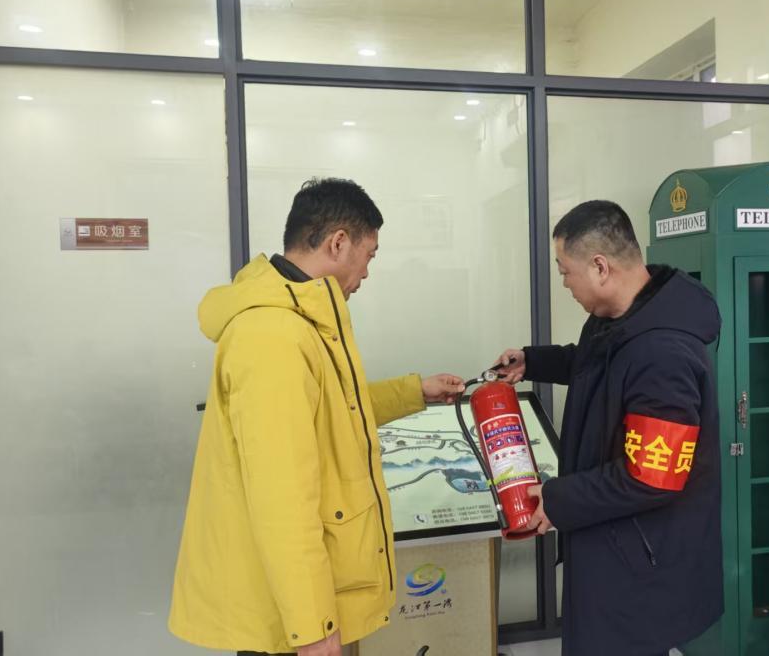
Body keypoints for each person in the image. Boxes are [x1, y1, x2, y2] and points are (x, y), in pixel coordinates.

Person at [169, 177, 464, 656]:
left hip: (292, 607)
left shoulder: (300, 318)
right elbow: (281, 496)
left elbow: (334, 410)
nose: (366, 273)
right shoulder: (274, 335)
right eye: (369, 256)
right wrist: (313, 626)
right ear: (338, 243)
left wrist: (415, 392)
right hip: (286, 620)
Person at [494, 200, 723, 656]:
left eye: (565, 272)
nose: (564, 284)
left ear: (600, 266)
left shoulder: (663, 354)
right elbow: (596, 366)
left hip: (639, 561)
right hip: (608, 535)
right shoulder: (618, 321)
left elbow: (651, 476)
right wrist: (533, 361)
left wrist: (559, 499)